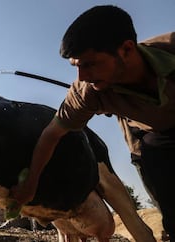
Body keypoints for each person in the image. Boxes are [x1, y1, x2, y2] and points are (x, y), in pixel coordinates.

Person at [10, 5, 175, 240]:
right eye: (76, 67)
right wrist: (31, 183)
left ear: (127, 49)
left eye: (89, 64)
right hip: (151, 140)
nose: (82, 77)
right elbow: (51, 135)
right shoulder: (87, 92)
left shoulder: (171, 49)